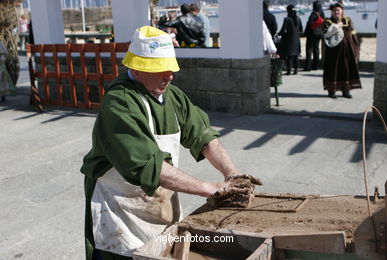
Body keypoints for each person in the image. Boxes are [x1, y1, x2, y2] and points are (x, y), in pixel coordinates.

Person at [80, 26, 256, 259]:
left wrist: (232, 174)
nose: (170, 76)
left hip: (157, 201)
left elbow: (203, 136)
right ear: (136, 68)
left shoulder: (171, 96)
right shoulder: (120, 103)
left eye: (171, 68)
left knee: (163, 249)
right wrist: (210, 188)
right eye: (160, 69)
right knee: (123, 253)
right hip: (118, 206)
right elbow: (148, 165)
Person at [322, 2, 361, 98]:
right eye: (334, 10)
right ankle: (332, 91)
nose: (336, 12)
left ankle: (346, 91)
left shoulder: (347, 20)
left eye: (338, 10)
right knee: (333, 70)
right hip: (333, 52)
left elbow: (353, 34)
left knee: (346, 69)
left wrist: (356, 49)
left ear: (342, 11)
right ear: (332, 12)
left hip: (347, 51)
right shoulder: (328, 21)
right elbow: (326, 34)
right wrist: (337, 26)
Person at [278, 4, 303, 75]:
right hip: (296, 39)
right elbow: (301, 29)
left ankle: (289, 71)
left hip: (289, 40)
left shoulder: (287, 19)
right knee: (296, 55)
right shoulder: (298, 18)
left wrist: (278, 34)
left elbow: (283, 30)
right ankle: (296, 70)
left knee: (289, 56)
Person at [304, 1, 325, 71]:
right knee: (316, 49)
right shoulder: (322, 13)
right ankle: (315, 66)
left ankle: (307, 66)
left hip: (312, 34)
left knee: (309, 50)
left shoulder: (313, 14)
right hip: (320, 33)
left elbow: (310, 23)